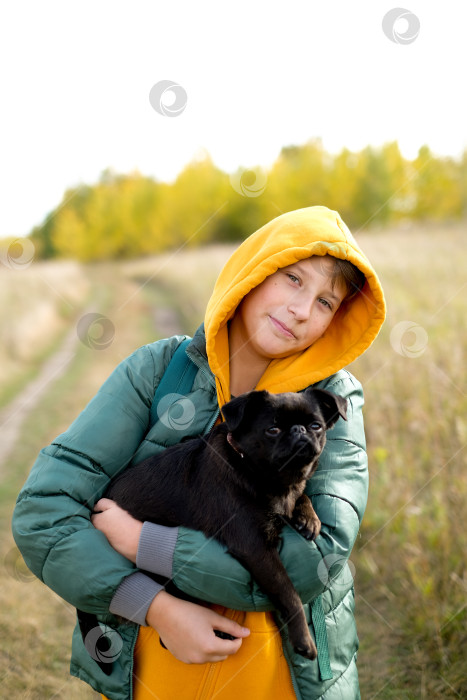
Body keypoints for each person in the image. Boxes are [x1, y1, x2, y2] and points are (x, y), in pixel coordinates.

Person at [12, 205, 386, 700]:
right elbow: (44, 512)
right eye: (292, 278)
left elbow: (314, 561)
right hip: (158, 662)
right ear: (253, 271)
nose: (301, 308)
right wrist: (155, 607)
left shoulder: (334, 400)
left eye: (325, 302)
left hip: (280, 674)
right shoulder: (159, 370)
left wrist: (148, 545)